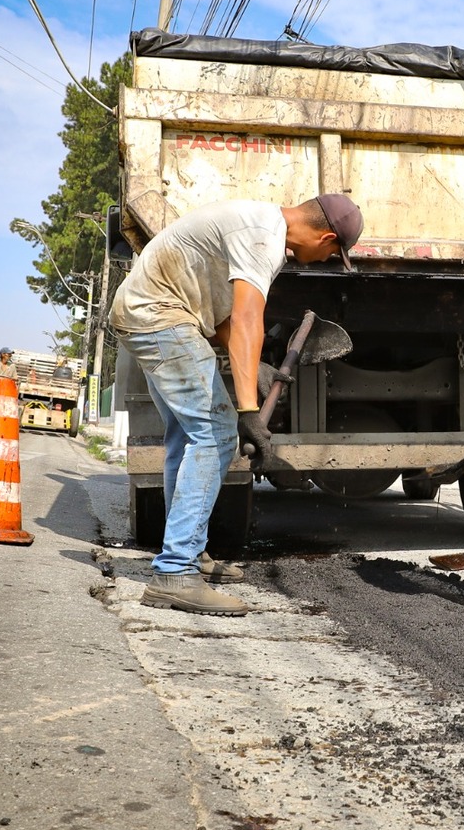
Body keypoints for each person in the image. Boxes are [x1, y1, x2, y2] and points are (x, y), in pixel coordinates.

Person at [110, 195, 362, 616]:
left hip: (150, 314)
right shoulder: (264, 237)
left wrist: (255, 365)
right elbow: (247, 319)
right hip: (161, 317)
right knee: (216, 433)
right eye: (333, 255)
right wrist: (248, 412)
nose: (325, 261)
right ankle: (176, 571)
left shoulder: (260, 225)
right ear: (326, 238)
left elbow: (220, 315)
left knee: (186, 437)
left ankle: (190, 551)